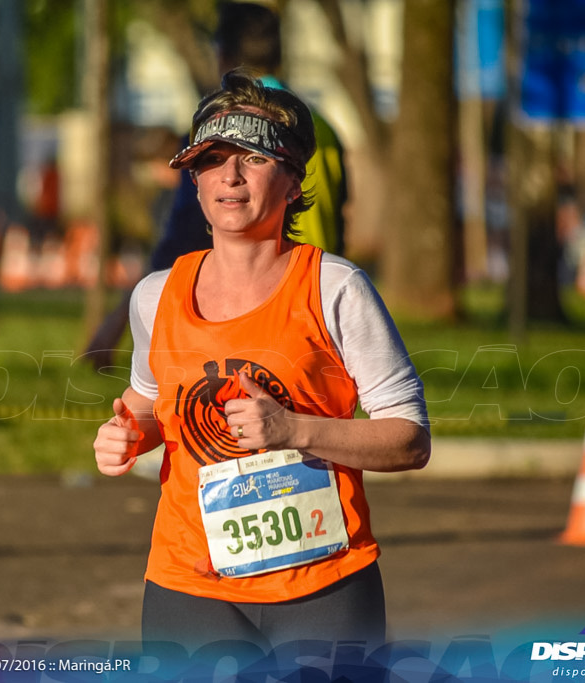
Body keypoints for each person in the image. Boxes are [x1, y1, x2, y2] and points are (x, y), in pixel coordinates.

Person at [93, 70, 430, 653]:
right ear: (193, 181)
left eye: (252, 157)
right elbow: (152, 411)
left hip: (322, 583)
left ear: (294, 182)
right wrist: (127, 436)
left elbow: (410, 439)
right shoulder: (154, 295)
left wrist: (292, 430)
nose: (229, 175)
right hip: (187, 584)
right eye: (211, 159)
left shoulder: (334, 288)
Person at [84, 1, 348, 367]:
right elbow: (340, 215)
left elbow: (181, 237)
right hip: (322, 304)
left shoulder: (215, 133)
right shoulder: (323, 128)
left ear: (222, 55)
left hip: (254, 316)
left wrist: (115, 326)